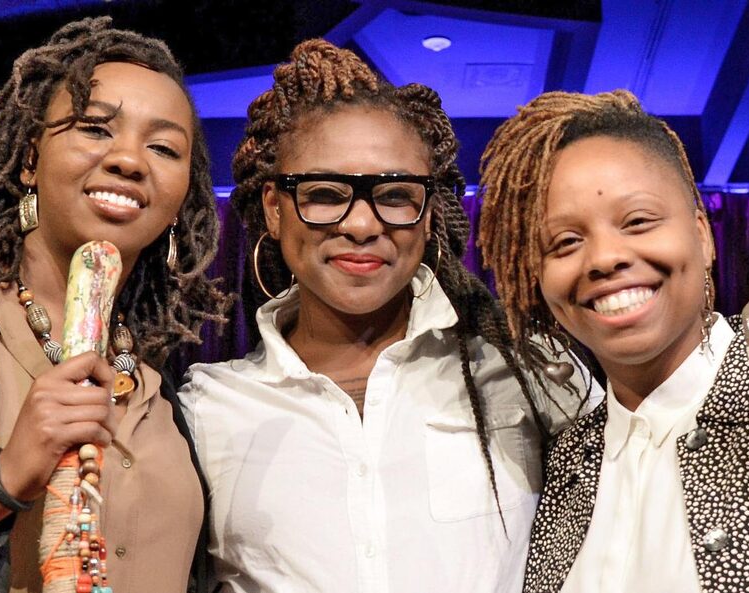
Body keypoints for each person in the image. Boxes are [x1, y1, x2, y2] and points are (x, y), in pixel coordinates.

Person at [178, 39, 594, 593]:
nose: (362, 224)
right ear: (275, 210)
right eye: (326, 193)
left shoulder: (527, 371)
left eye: (395, 194)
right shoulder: (206, 410)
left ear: (428, 217)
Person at [0, 17, 229, 593]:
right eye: (95, 128)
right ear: (29, 160)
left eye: (163, 147)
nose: (129, 160)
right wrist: (1, 480)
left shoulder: (153, 381)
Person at [479, 89, 749, 593]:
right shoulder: (563, 463)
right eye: (564, 242)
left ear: (703, 235)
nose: (604, 258)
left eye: (638, 222)